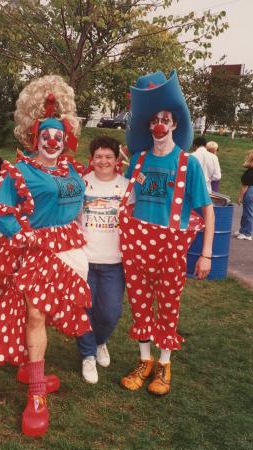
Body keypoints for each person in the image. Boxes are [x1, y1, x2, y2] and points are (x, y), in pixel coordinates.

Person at [0, 75, 91, 437]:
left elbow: (81, 208)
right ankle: (37, 393)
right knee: (37, 313)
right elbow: (0, 210)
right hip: (36, 252)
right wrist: (21, 235)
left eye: (58, 136)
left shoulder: (73, 170)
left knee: (46, 314)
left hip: (72, 253)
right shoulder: (19, 170)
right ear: (34, 137)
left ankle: (29, 365)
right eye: (46, 136)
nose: (52, 142)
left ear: (66, 137)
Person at [120, 70, 215, 396]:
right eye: (154, 120)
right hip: (136, 245)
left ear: (174, 125)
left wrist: (205, 254)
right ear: (149, 125)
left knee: (168, 306)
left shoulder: (189, 164)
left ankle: (164, 364)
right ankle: (144, 360)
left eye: (166, 119)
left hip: (170, 247)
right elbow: (126, 200)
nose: (159, 125)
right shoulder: (138, 159)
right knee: (140, 303)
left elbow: (207, 211)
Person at [77, 136, 130, 384]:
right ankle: (88, 355)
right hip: (85, 259)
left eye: (109, 156)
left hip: (115, 262)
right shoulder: (81, 184)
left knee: (110, 312)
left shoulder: (127, 187)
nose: (104, 161)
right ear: (92, 159)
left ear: (117, 159)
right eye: (99, 156)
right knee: (84, 309)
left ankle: (99, 342)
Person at [235, 150, 253, 240]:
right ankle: (243, 230)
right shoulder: (250, 170)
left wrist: (240, 197)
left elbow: (244, 186)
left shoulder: (250, 172)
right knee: (246, 212)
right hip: (250, 190)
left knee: (248, 213)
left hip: (250, 191)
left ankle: (247, 233)